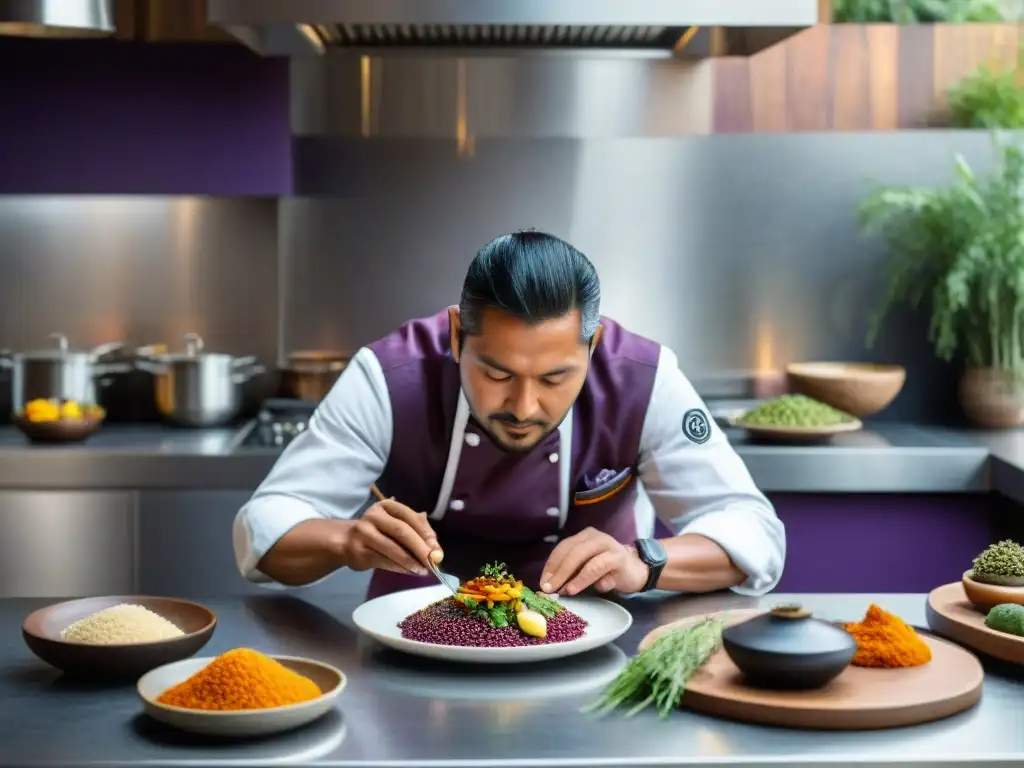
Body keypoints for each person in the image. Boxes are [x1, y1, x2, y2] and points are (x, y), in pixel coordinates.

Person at [233, 230, 785, 600]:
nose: (523, 408)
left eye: (554, 378)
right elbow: (266, 526)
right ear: (455, 334)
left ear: (592, 346)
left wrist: (645, 561)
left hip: (597, 657)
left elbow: (754, 533)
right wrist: (347, 540)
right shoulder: (389, 376)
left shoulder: (645, 377)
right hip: (412, 651)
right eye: (497, 375)